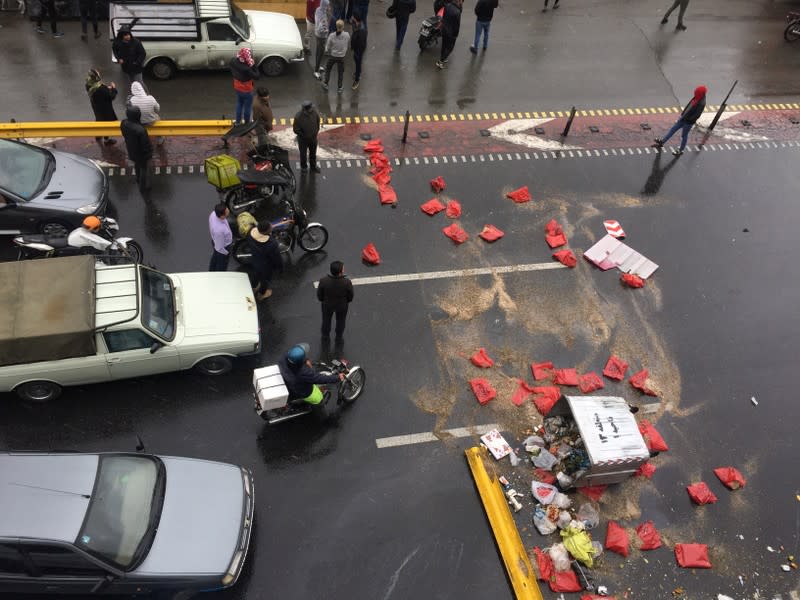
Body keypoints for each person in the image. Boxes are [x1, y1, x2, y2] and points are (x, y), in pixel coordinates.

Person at [278, 343, 344, 407]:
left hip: (287, 381)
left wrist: (305, 360)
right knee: (319, 398)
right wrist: (337, 377)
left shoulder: (284, 358)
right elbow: (320, 378)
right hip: (301, 391)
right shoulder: (303, 372)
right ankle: (320, 410)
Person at [654, 85, 707, 156]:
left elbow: (696, 115)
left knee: (684, 136)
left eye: (696, 92)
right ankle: (662, 142)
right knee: (672, 129)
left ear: (700, 93)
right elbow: (689, 106)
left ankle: (681, 150)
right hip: (683, 118)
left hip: (688, 122)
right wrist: (682, 115)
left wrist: (687, 119)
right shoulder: (697, 97)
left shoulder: (701, 103)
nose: (695, 93)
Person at [316, 260, 354, 340]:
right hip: (341, 306)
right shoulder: (346, 282)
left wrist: (323, 300)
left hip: (327, 305)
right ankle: (339, 336)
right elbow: (350, 295)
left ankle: (325, 335)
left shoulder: (323, 281)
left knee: (326, 320)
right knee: (341, 321)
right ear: (340, 272)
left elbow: (320, 295)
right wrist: (346, 301)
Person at [120, 105, 153, 193]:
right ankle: (143, 187)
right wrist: (149, 153)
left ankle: (138, 179)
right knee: (144, 169)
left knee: (137, 165)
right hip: (141, 154)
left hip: (131, 150)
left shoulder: (123, 123)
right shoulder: (141, 130)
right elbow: (145, 145)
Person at [247, 220, 282, 301]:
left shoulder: (250, 233)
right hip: (266, 266)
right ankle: (262, 294)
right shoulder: (271, 244)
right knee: (265, 280)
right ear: (266, 231)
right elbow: (276, 258)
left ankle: (254, 287)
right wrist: (280, 268)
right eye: (270, 227)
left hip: (255, 260)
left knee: (256, 275)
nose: (272, 227)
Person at [85, 68, 118, 146]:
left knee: (99, 118)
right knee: (105, 122)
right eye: (97, 73)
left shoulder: (89, 83)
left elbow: (99, 89)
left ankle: (98, 135)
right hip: (105, 108)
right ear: (96, 77)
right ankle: (107, 140)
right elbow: (111, 96)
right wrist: (114, 88)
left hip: (96, 105)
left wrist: (106, 88)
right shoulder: (101, 89)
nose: (99, 73)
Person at [128, 81, 164, 146]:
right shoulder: (150, 98)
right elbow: (157, 109)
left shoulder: (131, 100)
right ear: (142, 89)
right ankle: (160, 137)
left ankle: (140, 139)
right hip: (151, 122)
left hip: (139, 123)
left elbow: (129, 113)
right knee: (157, 117)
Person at [229, 47, 259, 125]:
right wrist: (253, 65)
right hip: (247, 90)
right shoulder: (247, 68)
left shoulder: (233, 61)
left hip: (237, 87)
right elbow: (257, 76)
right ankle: (246, 123)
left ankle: (238, 122)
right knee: (247, 107)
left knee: (239, 103)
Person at [322, 19, 350, 93]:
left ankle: (326, 83)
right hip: (341, 57)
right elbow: (347, 42)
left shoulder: (332, 35)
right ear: (343, 26)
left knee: (328, 69)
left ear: (336, 26)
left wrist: (326, 50)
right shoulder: (347, 35)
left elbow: (327, 47)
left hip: (333, 56)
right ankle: (340, 87)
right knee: (340, 72)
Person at [293, 101, 321, 173]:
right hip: (303, 140)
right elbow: (295, 129)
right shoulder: (298, 116)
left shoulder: (315, 113)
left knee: (313, 153)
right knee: (303, 154)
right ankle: (304, 167)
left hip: (313, 138)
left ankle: (313, 166)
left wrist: (315, 132)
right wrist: (304, 136)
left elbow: (318, 122)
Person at [436, 0, 462, 69]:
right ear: (459, 1)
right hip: (451, 32)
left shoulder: (447, 6)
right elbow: (457, 25)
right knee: (450, 47)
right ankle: (440, 61)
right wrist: (456, 34)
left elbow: (443, 17)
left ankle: (443, 58)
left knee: (444, 45)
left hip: (444, 30)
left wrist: (441, 25)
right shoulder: (457, 12)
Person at [208, 203, 232, 271]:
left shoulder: (213, 214)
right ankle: (220, 276)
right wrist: (226, 253)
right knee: (222, 264)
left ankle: (211, 270)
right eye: (226, 210)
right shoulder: (219, 230)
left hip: (216, 241)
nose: (228, 210)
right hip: (222, 247)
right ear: (222, 216)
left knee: (215, 258)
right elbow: (219, 248)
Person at [314, 0, 331, 79]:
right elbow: (321, 28)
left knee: (318, 52)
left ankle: (318, 66)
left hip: (317, 35)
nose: (329, 7)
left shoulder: (318, 9)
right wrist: (326, 30)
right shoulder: (323, 16)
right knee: (320, 54)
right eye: (328, 6)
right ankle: (316, 71)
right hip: (321, 37)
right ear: (325, 6)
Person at [350, 15, 367, 89]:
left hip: (359, 50)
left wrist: (355, 49)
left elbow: (361, 42)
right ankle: (358, 72)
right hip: (357, 49)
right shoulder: (358, 25)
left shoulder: (361, 30)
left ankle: (357, 79)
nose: (351, 18)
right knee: (357, 62)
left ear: (356, 19)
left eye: (353, 17)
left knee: (358, 63)